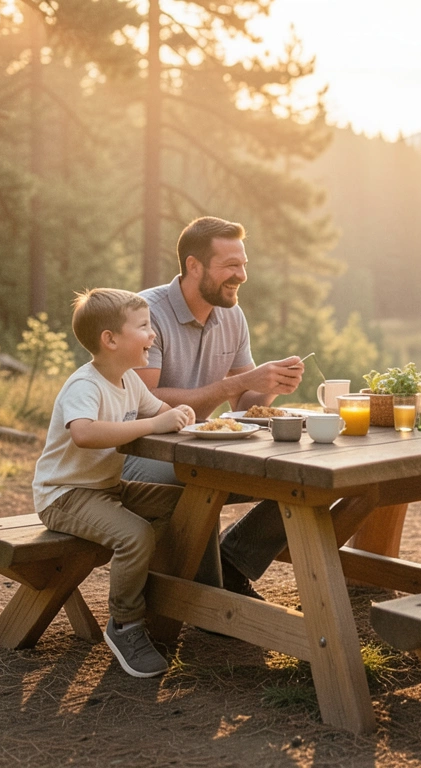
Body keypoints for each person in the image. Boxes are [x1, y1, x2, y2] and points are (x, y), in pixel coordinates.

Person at [121, 216, 305, 598]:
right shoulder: (146, 313)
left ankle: (232, 563)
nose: (241, 276)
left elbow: (243, 402)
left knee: (303, 478)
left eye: (243, 265)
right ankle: (209, 597)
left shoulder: (232, 315)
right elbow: (146, 402)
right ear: (194, 266)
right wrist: (240, 382)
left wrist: (271, 387)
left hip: (200, 447)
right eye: (230, 266)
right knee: (199, 480)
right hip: (139, 449)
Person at [32, 288, 196, 678]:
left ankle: (172, 600)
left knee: (186, 507)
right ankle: (125, 624)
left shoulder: (129, 381)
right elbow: (84, 434)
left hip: (106, 490)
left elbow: (160, 413)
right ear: (110, 340)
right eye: (143, 327)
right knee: (135, 536)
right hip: (65, 495)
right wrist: (155, 423)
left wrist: (182, 413)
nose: (153, 335)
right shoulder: (85, 385)